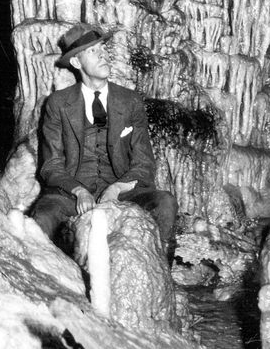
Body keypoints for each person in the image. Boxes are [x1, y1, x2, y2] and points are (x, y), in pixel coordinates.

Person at [30, 23, 178, 260]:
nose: (103, 55)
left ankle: (159, 273)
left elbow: (144, 163)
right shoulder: (58, 104)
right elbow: (51, 166)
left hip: (121, 191)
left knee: (165, 203)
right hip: (70, 195)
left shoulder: (130, 101)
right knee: (43, 217)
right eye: (92, 51)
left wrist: (117, 188)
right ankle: (49, 280)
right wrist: (78, 191)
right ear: (76, 63)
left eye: (102, 49)